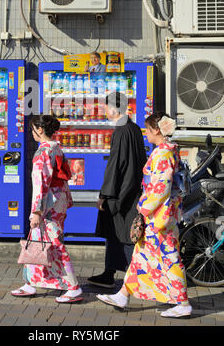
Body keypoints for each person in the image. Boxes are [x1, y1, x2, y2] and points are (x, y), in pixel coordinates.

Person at [97, 112, 193, 318]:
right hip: (164, 215)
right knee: (141, 255)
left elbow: (160, 188)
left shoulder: (162, 154)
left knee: (170, 258)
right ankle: (123, 294)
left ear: (157, 130)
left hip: (159, 218)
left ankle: (183, 303)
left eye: (148, 130)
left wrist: (143, 207)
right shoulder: (168, 151)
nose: (145, 133)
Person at [11, 114, 83, 303]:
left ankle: (73, 287)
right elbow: (64, 178)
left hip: (47, 205)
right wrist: (67, 199)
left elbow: (40, 184)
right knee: (36, 240)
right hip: (57, 201)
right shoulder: (56, 148)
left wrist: (36, 211)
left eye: (33, 129)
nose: (32, 133)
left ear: (40, 130)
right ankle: (30, 282)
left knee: (54, 243)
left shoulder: (42, 153)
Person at [87, 92, 147, 288]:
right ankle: (109, 272)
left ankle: (136, 278)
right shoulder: (135, 128)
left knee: (125, 235)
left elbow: (114, 167)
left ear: (114, 108)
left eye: (106, 107)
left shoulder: (120, 131)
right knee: (115, 233)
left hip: (120, 193)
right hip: (132, 188)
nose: (104, 111)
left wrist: (104, 195)